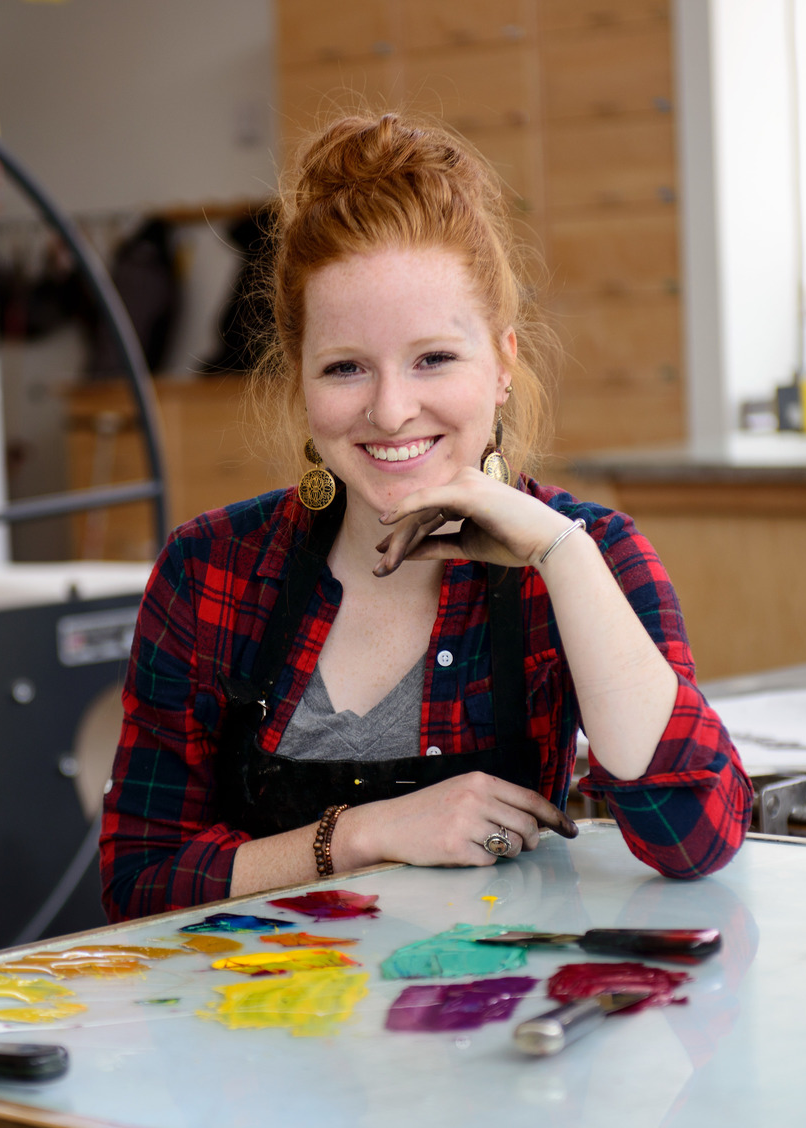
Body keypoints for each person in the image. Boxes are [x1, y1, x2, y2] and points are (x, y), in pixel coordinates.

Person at [100, 112, 753, 920]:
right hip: (264, 1021)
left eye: (433, 359)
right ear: (300, 384)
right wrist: (362, 835)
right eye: (345, 368)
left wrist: (560, 554)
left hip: (495, 1021)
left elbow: (695, 838)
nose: (392, 408)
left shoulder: (593, 555)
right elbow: (138, 885)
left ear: (504, 365)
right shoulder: (210, 569)